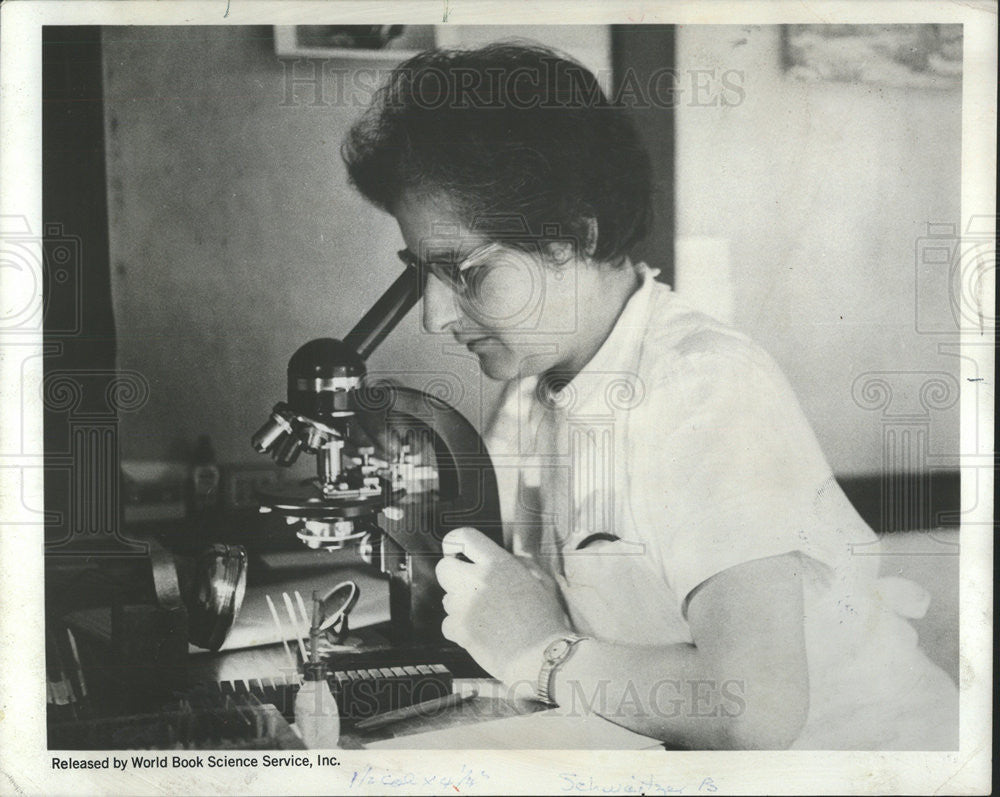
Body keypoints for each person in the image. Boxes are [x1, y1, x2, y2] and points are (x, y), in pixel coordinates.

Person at [341, 42, 958, 750]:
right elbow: (519, 599)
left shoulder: (701, 389)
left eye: (464, 272)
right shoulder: (533, 392)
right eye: (420, 272)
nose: (433, 315)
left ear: (574, 237)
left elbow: (752, 710)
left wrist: (538, 653)